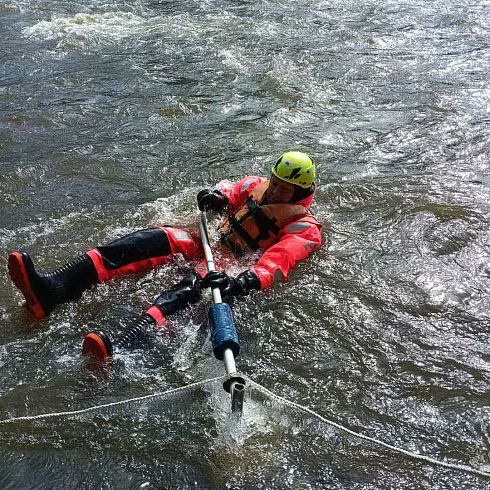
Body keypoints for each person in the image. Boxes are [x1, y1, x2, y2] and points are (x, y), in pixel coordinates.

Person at [8, 151, 323, 363]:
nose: (276, 193)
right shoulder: (258, 185)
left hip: (237, 264)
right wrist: (216, 197)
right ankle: (51, 291)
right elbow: (230, 191)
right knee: (145, 241)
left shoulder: (304, 229)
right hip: (213, 241)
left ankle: (120, 350)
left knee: (189, 287)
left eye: (284, 191)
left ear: (299, 192)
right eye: (276, 184)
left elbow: (277, 263)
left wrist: (240, 282)